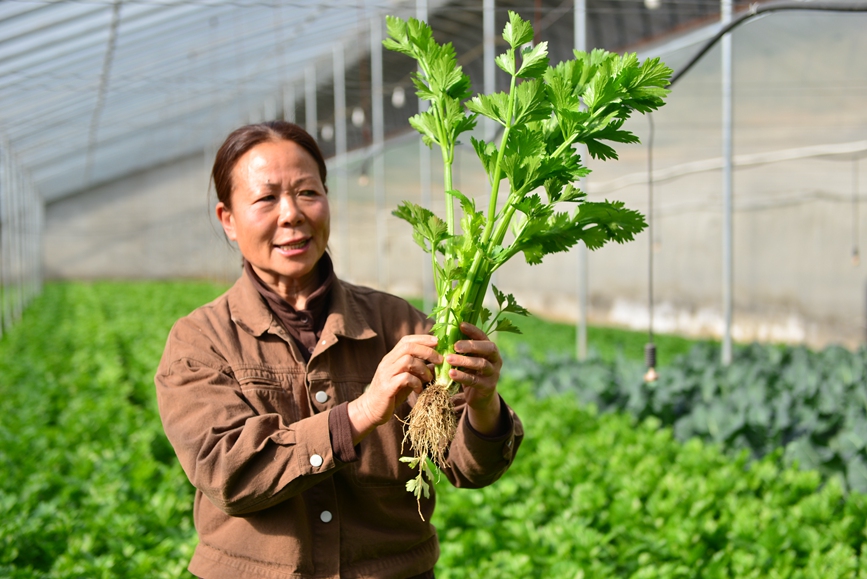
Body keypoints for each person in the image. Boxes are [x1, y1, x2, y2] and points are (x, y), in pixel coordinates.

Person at [154, 121, 523, 579]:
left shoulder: (399, 324)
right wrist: (364, 412)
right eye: (266, 199)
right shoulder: (201, 340)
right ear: (228, 219)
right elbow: (229, 472)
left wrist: (483, 406)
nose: (291, 214)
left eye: (307, 192)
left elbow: (468, 468)